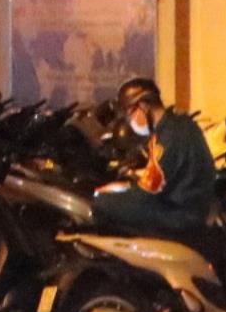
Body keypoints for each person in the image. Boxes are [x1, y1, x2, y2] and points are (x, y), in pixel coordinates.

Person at [90, 78, 216, 237]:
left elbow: (146, 195)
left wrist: (112, 194)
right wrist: (128, 186)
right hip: (189, 205)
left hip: (180, 215)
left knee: (101, 203)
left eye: (130, 114)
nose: (130, 122)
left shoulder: (169, 137)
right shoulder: (180, 125)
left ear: (143, 106)